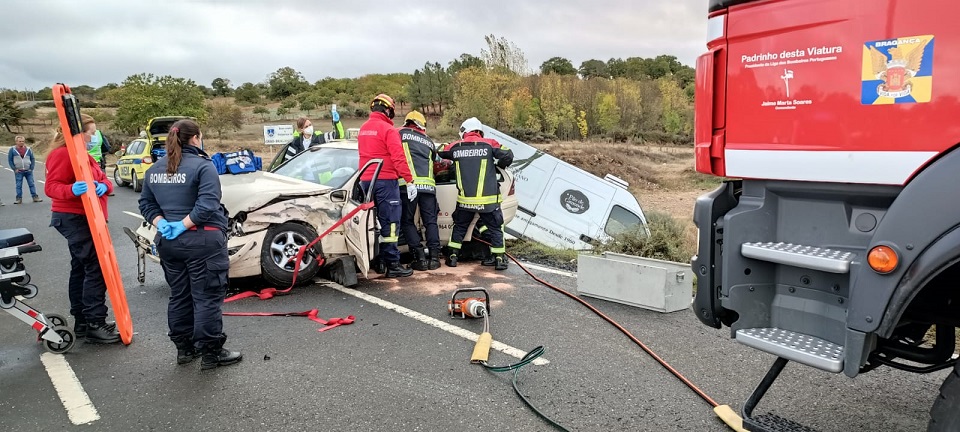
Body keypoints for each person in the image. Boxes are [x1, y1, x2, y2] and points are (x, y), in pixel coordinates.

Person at [138, 119, 242, 370]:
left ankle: (184, 349)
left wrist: (162, 223)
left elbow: (146, 204)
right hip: (202, 242)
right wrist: (184, 224)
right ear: (195, 138)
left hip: (169, 244)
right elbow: (207, 205)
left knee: (180, 296)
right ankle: (211, 352)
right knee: (206, 297)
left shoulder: (155, 169)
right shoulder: (203, 167)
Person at [44, 113, 119, 343]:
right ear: (78, 134)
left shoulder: (84, 155)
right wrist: (71, 190)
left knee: (81, 268)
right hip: (74, 216)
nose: (94, 136)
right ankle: (95, 322)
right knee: (96, 267)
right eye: (91, 132)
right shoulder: (63, 154)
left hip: (87, 216)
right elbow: (51, 186)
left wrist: (103, 186)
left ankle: (83, 320)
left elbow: (104, 180)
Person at [438, 117, 514, 271]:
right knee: (495, 228)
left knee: (459, 227)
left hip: (465, 201)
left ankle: (452, 257)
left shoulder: (456, 146)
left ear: (464, 131)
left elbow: (440, 150)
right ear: (480, 131)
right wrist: (499, 164)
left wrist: (453, 144)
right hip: (488, 201)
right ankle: (499, 260)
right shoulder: (489, 143)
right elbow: (508, 155)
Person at [358, 93, 415, 278]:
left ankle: (379, 261)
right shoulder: (388, 130)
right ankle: (392, 264)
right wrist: (409, 180)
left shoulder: (363, 129)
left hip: (366, 182)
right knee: (390, 224)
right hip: (385, 181)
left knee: (372, 223)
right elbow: (398, 157)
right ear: (388, 110)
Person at [398, 111, 442, 271]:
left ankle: (420, 258)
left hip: (408, 185)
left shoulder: (399, 134)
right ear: (422, 125)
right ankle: (435, 258)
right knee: (430, 222)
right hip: (428, 187)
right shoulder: (429, 141)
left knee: (407, 221)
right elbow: (436, 163)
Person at [270, 108, 345, 170]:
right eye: (306, 126)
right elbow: (288, 163)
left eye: (310, 125)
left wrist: (336, 122)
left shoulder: (319, 138)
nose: (310, 127)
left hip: (321, 177)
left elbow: (338, 136)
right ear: (301, 129)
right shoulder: (295, 143)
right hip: (302, 177)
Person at [8, 136, 42, 204]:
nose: (21, 142)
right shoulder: (12, 150)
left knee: (31, 184)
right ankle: (19, 199)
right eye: (20, 141)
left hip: (28, 171)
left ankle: (35, 197)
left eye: (23, 141)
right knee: (19, 185)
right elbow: (10, 160)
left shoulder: (28, 149)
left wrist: (31, 168)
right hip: (19, 171)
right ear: (16, 142)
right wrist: (14, 169)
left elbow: (32, 159)